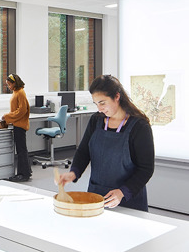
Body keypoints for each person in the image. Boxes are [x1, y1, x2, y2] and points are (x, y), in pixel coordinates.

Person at [58, 75, 155, 211]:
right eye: (96, 103)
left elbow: (146, 169)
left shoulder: (139, 126)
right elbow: (84, 151)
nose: (99, 109)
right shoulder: (96, 120)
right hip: (96, 195)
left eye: (102, 103)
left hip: (128, 198)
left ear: (116, 97)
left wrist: (122, 192)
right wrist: (74, 173)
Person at [2, 73, 31, 182]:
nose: (9, 87)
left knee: (21, 150)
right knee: (22, 149)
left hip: (20, 125)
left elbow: (22, 111)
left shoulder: (20, 93)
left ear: (15, 83)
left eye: (10, 84)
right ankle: (27, 171)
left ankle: (23, 174)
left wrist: (7, 116)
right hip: (17, 124)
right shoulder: (16, 92)